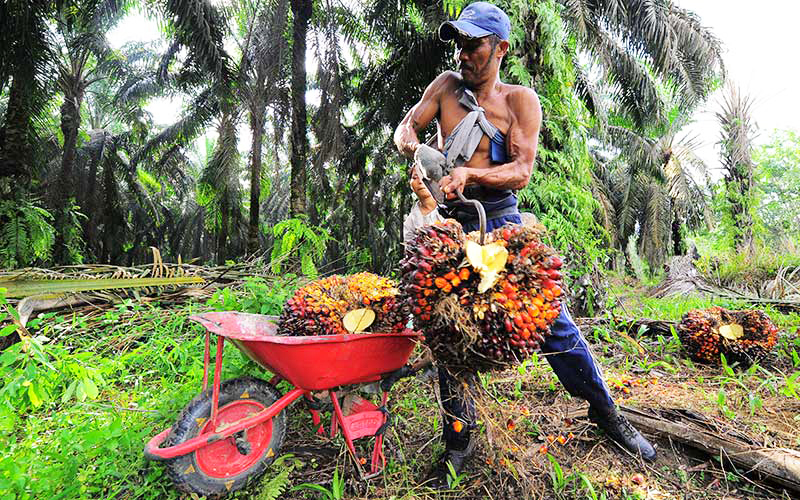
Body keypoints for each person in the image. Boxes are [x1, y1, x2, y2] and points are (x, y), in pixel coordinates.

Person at [393, 1, 656, 488]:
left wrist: (471, 172)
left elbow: (521, 171)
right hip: (451, 225)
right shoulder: (445, 88)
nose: (463, 54)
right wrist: (409, 139)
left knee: (553, 325)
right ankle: (459, 438)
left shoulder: (519, 101)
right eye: (458, 45)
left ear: (500, 49)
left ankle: (607, 416)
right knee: (449, 328)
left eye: (473, 45)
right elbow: (408, 124)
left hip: (502, 222)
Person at [403, 165, 443, 243]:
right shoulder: (410, 222)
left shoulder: (450, 207)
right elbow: (410, 250)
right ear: (410, 185)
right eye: (415, 177)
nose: (420, 181)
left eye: (424, 176)